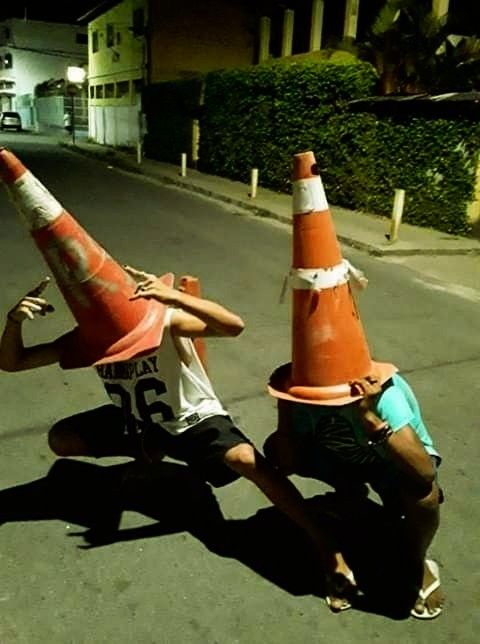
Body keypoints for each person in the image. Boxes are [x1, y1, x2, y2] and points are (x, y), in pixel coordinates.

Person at [0, 270, 354, 611]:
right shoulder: (86, 338)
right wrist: (13, 321)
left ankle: (326, 545)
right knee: (61, 439)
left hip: (192, 419)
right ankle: (149, 455)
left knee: (246, 460)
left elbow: (233, 326)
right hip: (140, 422)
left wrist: (174, 298)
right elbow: (13, 363)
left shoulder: (162, 321)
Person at [264, 371, 444, 619]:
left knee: (424, 497)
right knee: (275, 448)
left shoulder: (385, 395)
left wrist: (370, 417)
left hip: (392, 465)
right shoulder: (300, 397)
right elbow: (286, 463)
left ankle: (416, 558)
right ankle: (350, 495)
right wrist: (285, 410)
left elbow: (424, 472)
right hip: (345, 461)